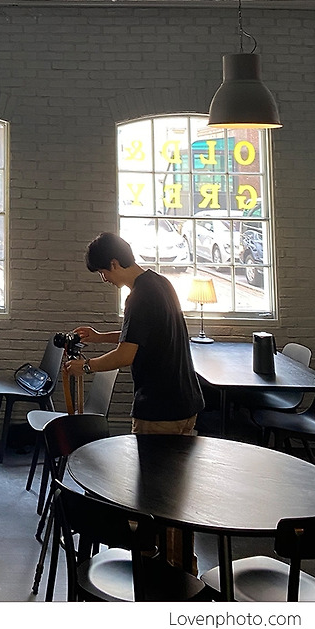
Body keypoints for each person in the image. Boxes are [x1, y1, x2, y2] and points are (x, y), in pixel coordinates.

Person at [64, 231, 206, 569]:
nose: (105, 279)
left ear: (114, 263)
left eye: (104, 272)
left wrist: (86, 365)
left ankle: (167, 571)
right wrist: (100, 337)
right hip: (185, 403)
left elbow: (127, 354)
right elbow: (139, 335)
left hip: (160, 408)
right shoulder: (159, 284)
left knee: (159, 496)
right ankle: (180, 565)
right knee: (178, 493)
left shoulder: (138, 297)